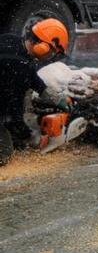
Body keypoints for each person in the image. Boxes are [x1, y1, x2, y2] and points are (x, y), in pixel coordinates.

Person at [0, 18, 71, 166]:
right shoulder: (19, 67)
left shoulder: (11, 41)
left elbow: (33, 79)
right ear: (43, 47)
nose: (51, 57)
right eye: (52, 52)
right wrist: (32, 138)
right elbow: (13, 117)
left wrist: (56, 99)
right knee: (5, 152)